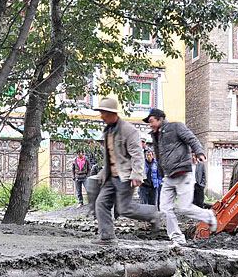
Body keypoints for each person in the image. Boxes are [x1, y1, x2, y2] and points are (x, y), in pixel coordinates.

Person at [93, 97, 162, 245]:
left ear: (112, 113)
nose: (101, 116)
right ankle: (108, 237)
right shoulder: (107, 131)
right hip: (111, 176)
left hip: (125, 176)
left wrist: (137, 174)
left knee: (124, 208)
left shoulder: (128, 131)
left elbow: (137, 154)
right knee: (101, 203)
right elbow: (111, 157)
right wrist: (102, 174)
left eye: (103, 113)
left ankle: (153, 213)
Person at [145, 108, 217, 245]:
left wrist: (199, 152)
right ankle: (177, 239)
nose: (150, 125)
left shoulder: (176, 127)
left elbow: (191, 139)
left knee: (184, 208)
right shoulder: (156, 136)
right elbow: (160, 156)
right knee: (165, 209)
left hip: (183, 173)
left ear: (160, 119)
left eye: (151, 121)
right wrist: (161, 173)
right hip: (168, 177)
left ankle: (208, 216)